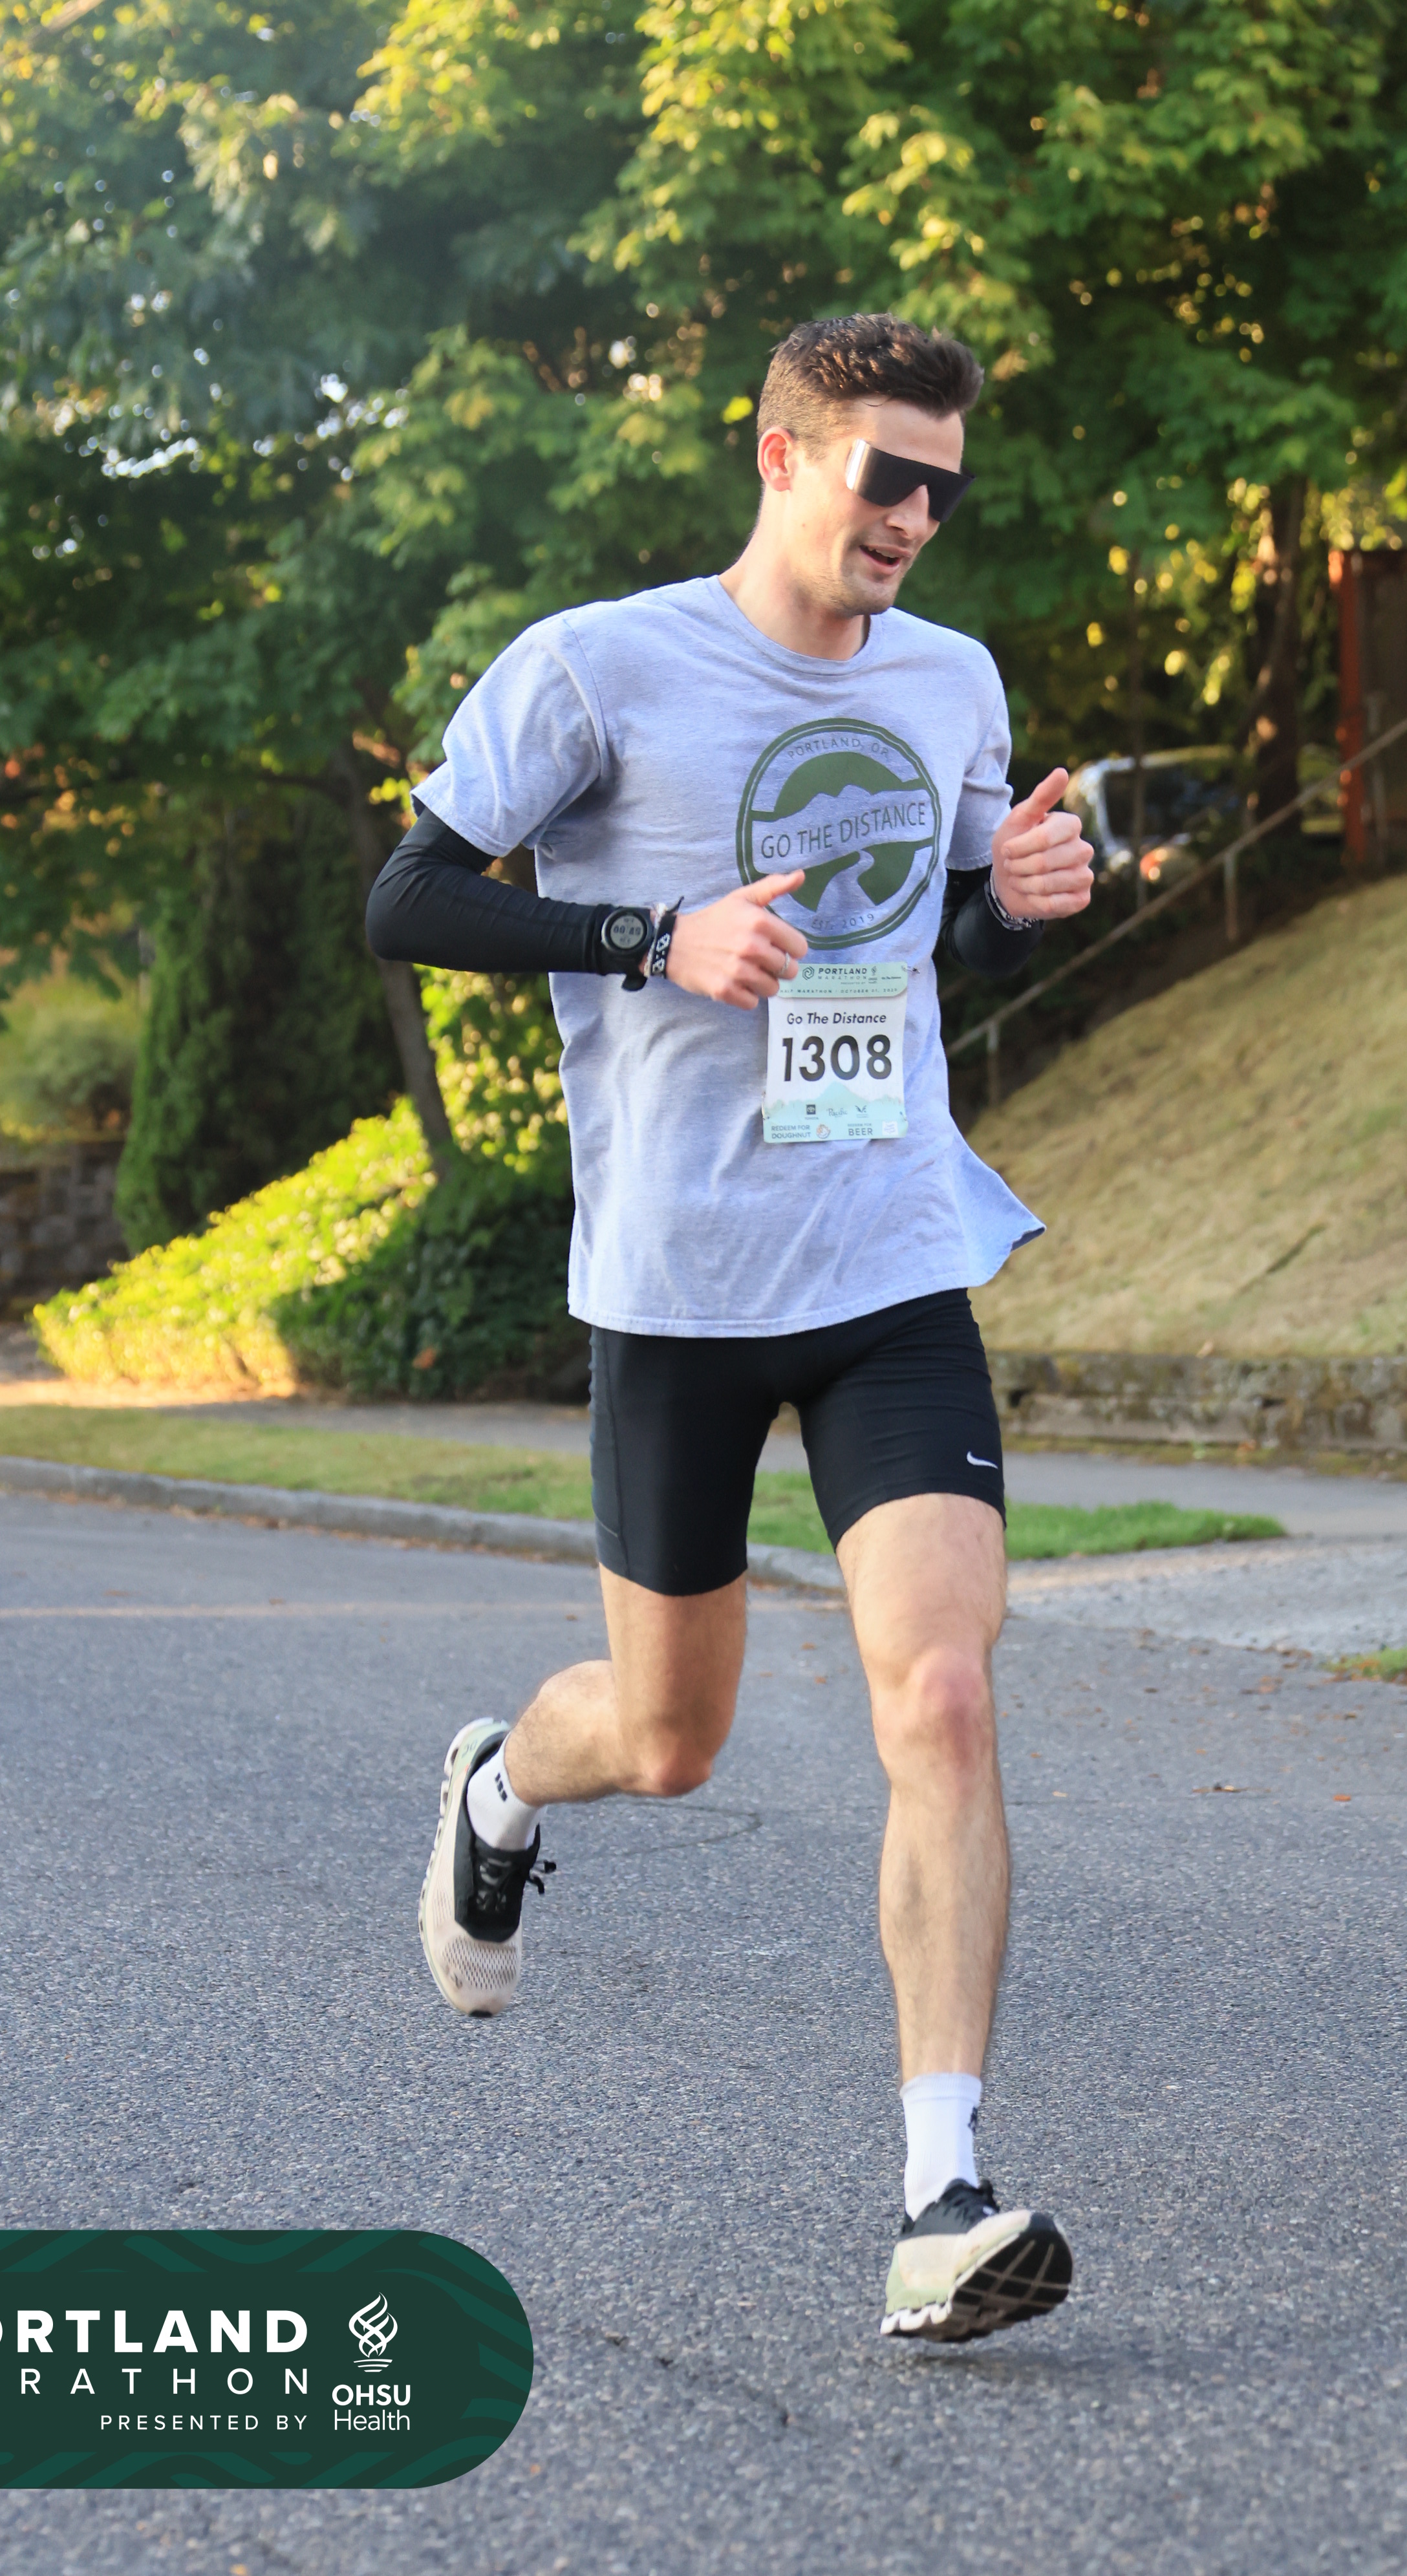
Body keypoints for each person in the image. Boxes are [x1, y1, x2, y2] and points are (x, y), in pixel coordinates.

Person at [367, 312, 1095, 2344]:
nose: (918, 517)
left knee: (941, 1695)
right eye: (886, 476)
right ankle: (503, 1787)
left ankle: (942, 2192)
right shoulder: (601, 666)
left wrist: (1019, 893)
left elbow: (931, 925)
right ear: (781, 455)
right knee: (667, 1741)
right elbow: (408, 898)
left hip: (887, 1256)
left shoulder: (949, 681)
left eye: (944, 487)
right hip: (682, 1286)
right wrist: (650, 936)